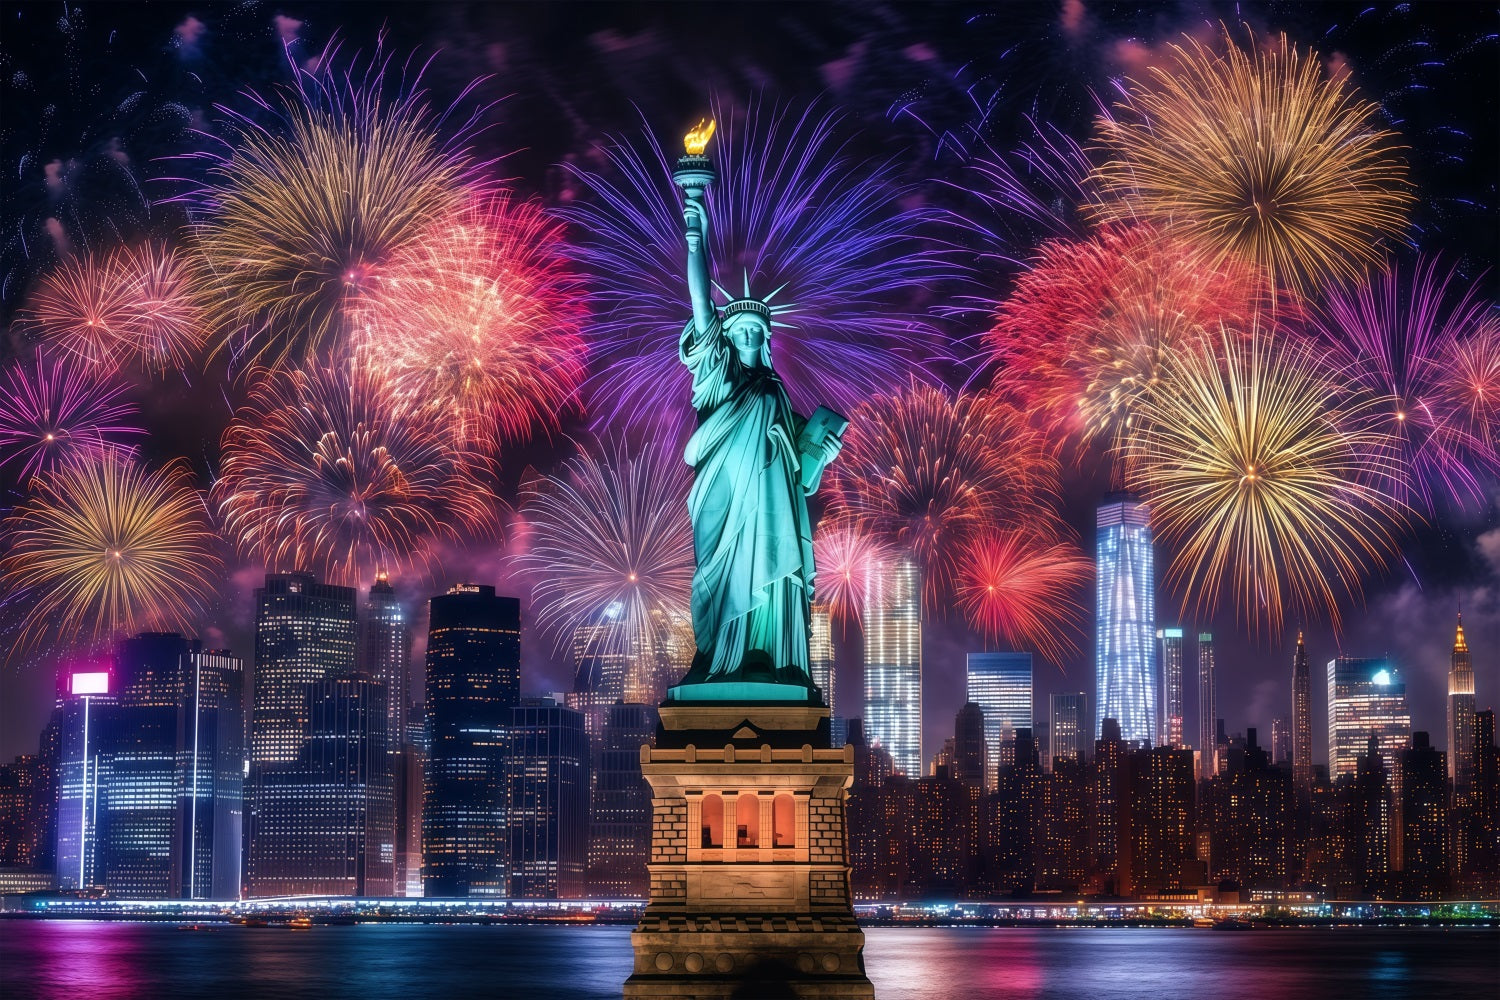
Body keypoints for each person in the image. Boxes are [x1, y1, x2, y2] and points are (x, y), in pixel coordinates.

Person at [675, 193, 842, 688]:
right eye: (740, 328)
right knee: (726, 577)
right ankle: (728, 656)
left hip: (774, 514)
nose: (749, 334)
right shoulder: (718, 379)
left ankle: (771, 654)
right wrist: (695, 235)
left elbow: (801, 477)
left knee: (774, 575)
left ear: (766, 338)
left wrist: (819, 454)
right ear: (727, 336)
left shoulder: (775, 393)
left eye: (757, 330)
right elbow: (701, 302)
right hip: (726, 505)